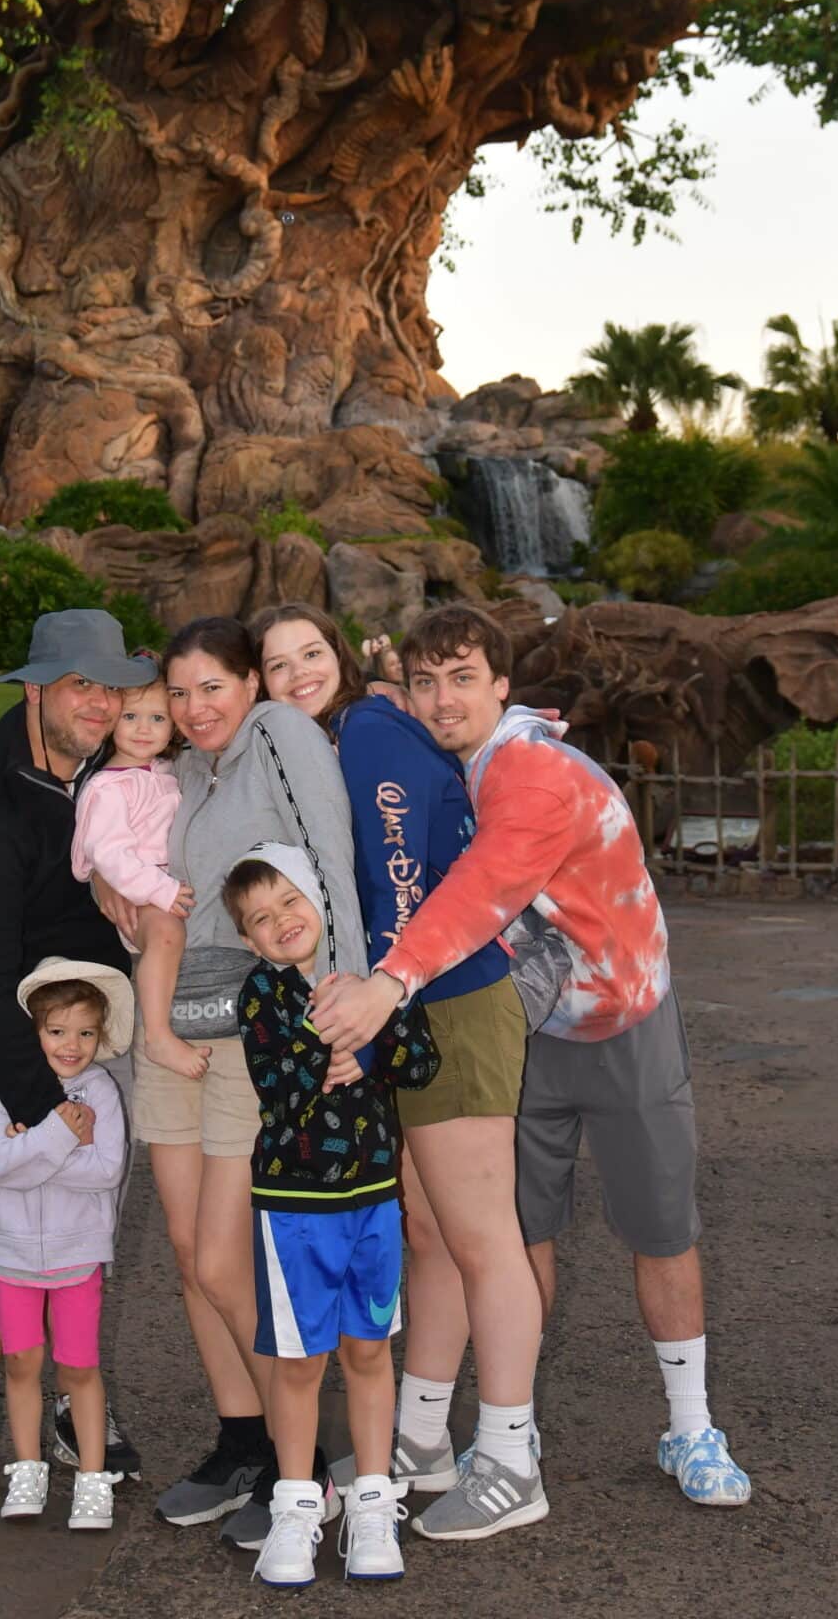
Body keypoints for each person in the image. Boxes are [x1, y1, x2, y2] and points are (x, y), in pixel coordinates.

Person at [314, 602, 753, 1510]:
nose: (442, 701)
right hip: (525, 1030)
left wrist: (387, 985)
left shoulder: (532, 775)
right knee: (518, 1233)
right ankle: (510, 1431)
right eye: (426, 683)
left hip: (623, 1023)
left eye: (462, 678)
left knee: (659, 1228)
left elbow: (483, 890)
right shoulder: (458, 763)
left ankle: (690, 1425)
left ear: (502, 686)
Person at [259, 602, 563, 1541]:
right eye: (277, 665)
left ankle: (511, 1458)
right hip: (412, 1003)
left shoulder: (369, 729)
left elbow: (396, 878)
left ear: (342, 661)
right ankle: (423, 1441)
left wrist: (375, 995)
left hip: (450, 999)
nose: (299, 673)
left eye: (313, 652)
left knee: (480, 1238)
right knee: (429, 1230)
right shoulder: (339, 738)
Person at [112, 615, 367, 1550]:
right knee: (188, 1256)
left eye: (212, 686)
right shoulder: (178, 775)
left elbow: (330, 869)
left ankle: (308, 1469)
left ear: (248, 686)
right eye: (177, 693)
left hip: (260, 1033)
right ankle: (244, 1443)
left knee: (227, 1260)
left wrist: (339, 1013)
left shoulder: (282, 738)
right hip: (172, 1027)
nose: (193, 707)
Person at [0, 608, 150, 1503]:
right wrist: (44, 1111)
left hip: (83, 1004)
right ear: (35, 689)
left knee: (91, 1196)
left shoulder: (121, 768)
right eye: (82, 685)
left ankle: (73, 1394)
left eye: (113, 687)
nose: (102, 703)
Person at [225, 841, 439, 1587]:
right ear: (248, 939)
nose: (280, 921)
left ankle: (372, 1502)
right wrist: (336, 1050)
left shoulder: (373, 982)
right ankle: (294, 1504)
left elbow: (419, 1061)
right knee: (297, 1360)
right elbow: (278, 1084)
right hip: (293, 1207)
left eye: (289, 901)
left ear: (318, 899)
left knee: (370, 1351)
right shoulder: (261, 994)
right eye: (260, 918)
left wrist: (371, 1046)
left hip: (372, 1199)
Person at [0, 959, 134, 1531]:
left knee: (79, 1365)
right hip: (14, 1254)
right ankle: (27, 1468)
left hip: (77, 1254)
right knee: (21, 1362)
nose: (72, 1045)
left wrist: (36, 1150)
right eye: (58, 1030)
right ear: (35, 1030)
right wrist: (63, 1135)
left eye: (86, 1032)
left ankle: (92, 1478)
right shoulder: (3, 1089)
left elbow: (106, 1171)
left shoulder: (104, 1092)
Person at [69, 657, 203, 1081]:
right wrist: (159, 890)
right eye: (131, 716)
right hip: (140, 894)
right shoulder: (109, 787)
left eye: (157, 718)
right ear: (112, 722)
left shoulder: (160, 771)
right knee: (166, 934)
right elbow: (110, 856)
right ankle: (157, 1035)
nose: (144, 729)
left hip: (158, 886)